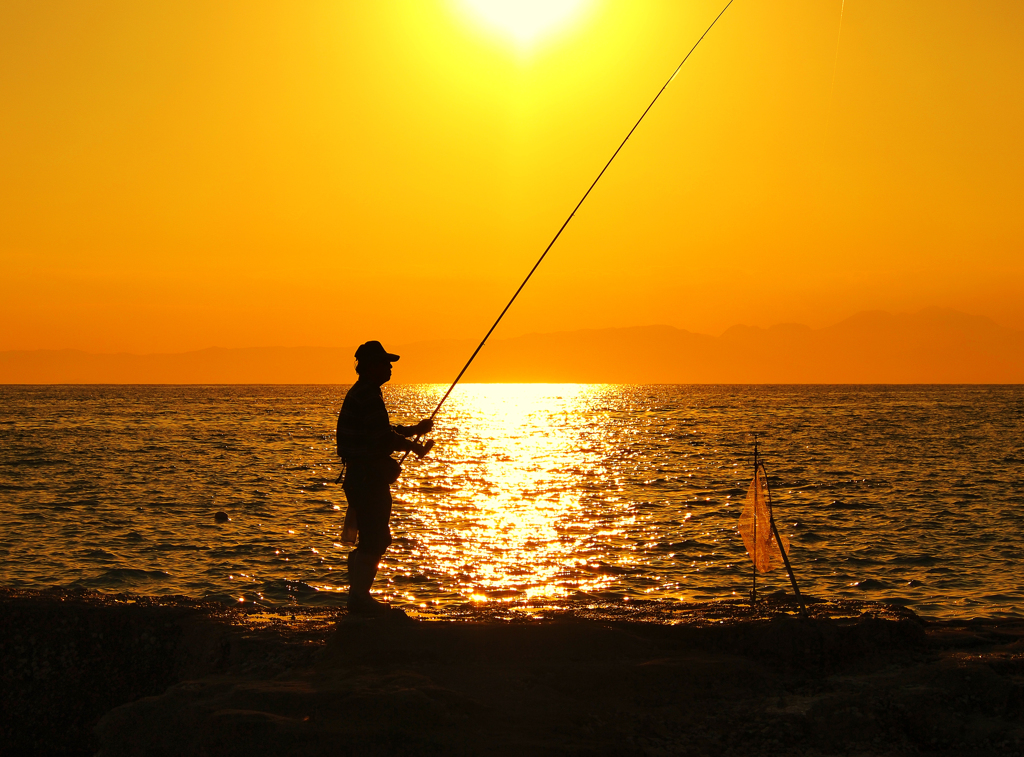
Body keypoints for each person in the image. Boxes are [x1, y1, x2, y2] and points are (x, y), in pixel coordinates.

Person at [337, 340, 433, 615]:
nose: (390, 367)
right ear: (370, 367)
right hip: (366, 479)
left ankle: (356, 598)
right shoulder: (367, 395)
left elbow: (381, 430)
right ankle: (360, 600)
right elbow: (381, 438)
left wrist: (414, 430)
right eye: (385, 363)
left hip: (359, 476)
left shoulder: (364, 393)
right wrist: (414, 446)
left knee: (368, 536)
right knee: (376, 538)